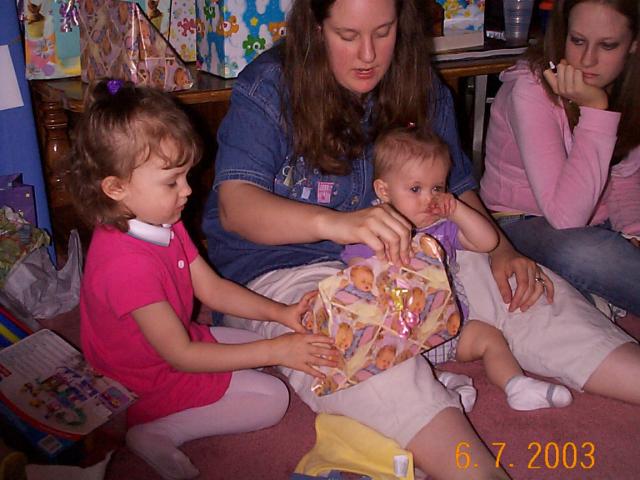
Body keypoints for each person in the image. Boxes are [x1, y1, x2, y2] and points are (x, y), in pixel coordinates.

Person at [203, 0, 640, 478]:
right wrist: (337, 224)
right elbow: (236, 207)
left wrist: (502, 249)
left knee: (524, 289)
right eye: (348, 36)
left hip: (412, 247)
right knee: (362, 348)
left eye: (383, 32)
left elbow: (455, 187)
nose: (368, 54)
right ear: (316, 28)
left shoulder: (417, 80)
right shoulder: (269, 84)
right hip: (284, 266)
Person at [68, 80, 338, 480]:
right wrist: (277, 351)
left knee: (256, 345)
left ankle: (258, 355)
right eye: (171, 181)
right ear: (116, 188)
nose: (188, 191)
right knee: (272, 397)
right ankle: (155, 432)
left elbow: (211, 289)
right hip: (142, 382)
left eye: (186, 176)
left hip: (173, 344)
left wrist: (280, 313)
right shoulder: (125, 265)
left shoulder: (159, 220)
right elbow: (182, 355)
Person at [341, 128, 574, 411]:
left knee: (490, 338)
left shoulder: (441, 228)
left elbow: (488, 242)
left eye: (437, 188)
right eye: (415, 189)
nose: (429, 199)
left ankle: (516, 385)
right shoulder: (371, 234)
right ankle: (444, 382)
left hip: (451, 325)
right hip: (403, 337)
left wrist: (457, 211)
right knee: (391, 366)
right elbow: (359, 284)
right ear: (384, 191)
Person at [481, 0, 640, 315]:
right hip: (521, 220)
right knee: (587, 253)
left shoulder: (629, 87)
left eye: (608, 45)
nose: (587, 60)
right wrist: (596, 111)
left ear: (634, 44)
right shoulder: (530, 88)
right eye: (577, 41)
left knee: (603, 251)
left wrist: (634, 231)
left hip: (597, 220)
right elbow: (566, 218)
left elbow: (624, 178)